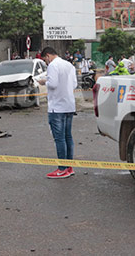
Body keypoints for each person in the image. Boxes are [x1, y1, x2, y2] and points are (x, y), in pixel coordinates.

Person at [38, 47, 77, 179]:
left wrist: (44, 82)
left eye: (45, 60)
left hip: (57, 107)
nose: (46, 62)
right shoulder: (69, 65)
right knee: (68, 137)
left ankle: (61, 169)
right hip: (69, 105)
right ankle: (69, 167)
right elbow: (75, 84)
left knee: (59, 139)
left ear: (48, 56)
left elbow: (53, 84)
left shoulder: (53, 65)